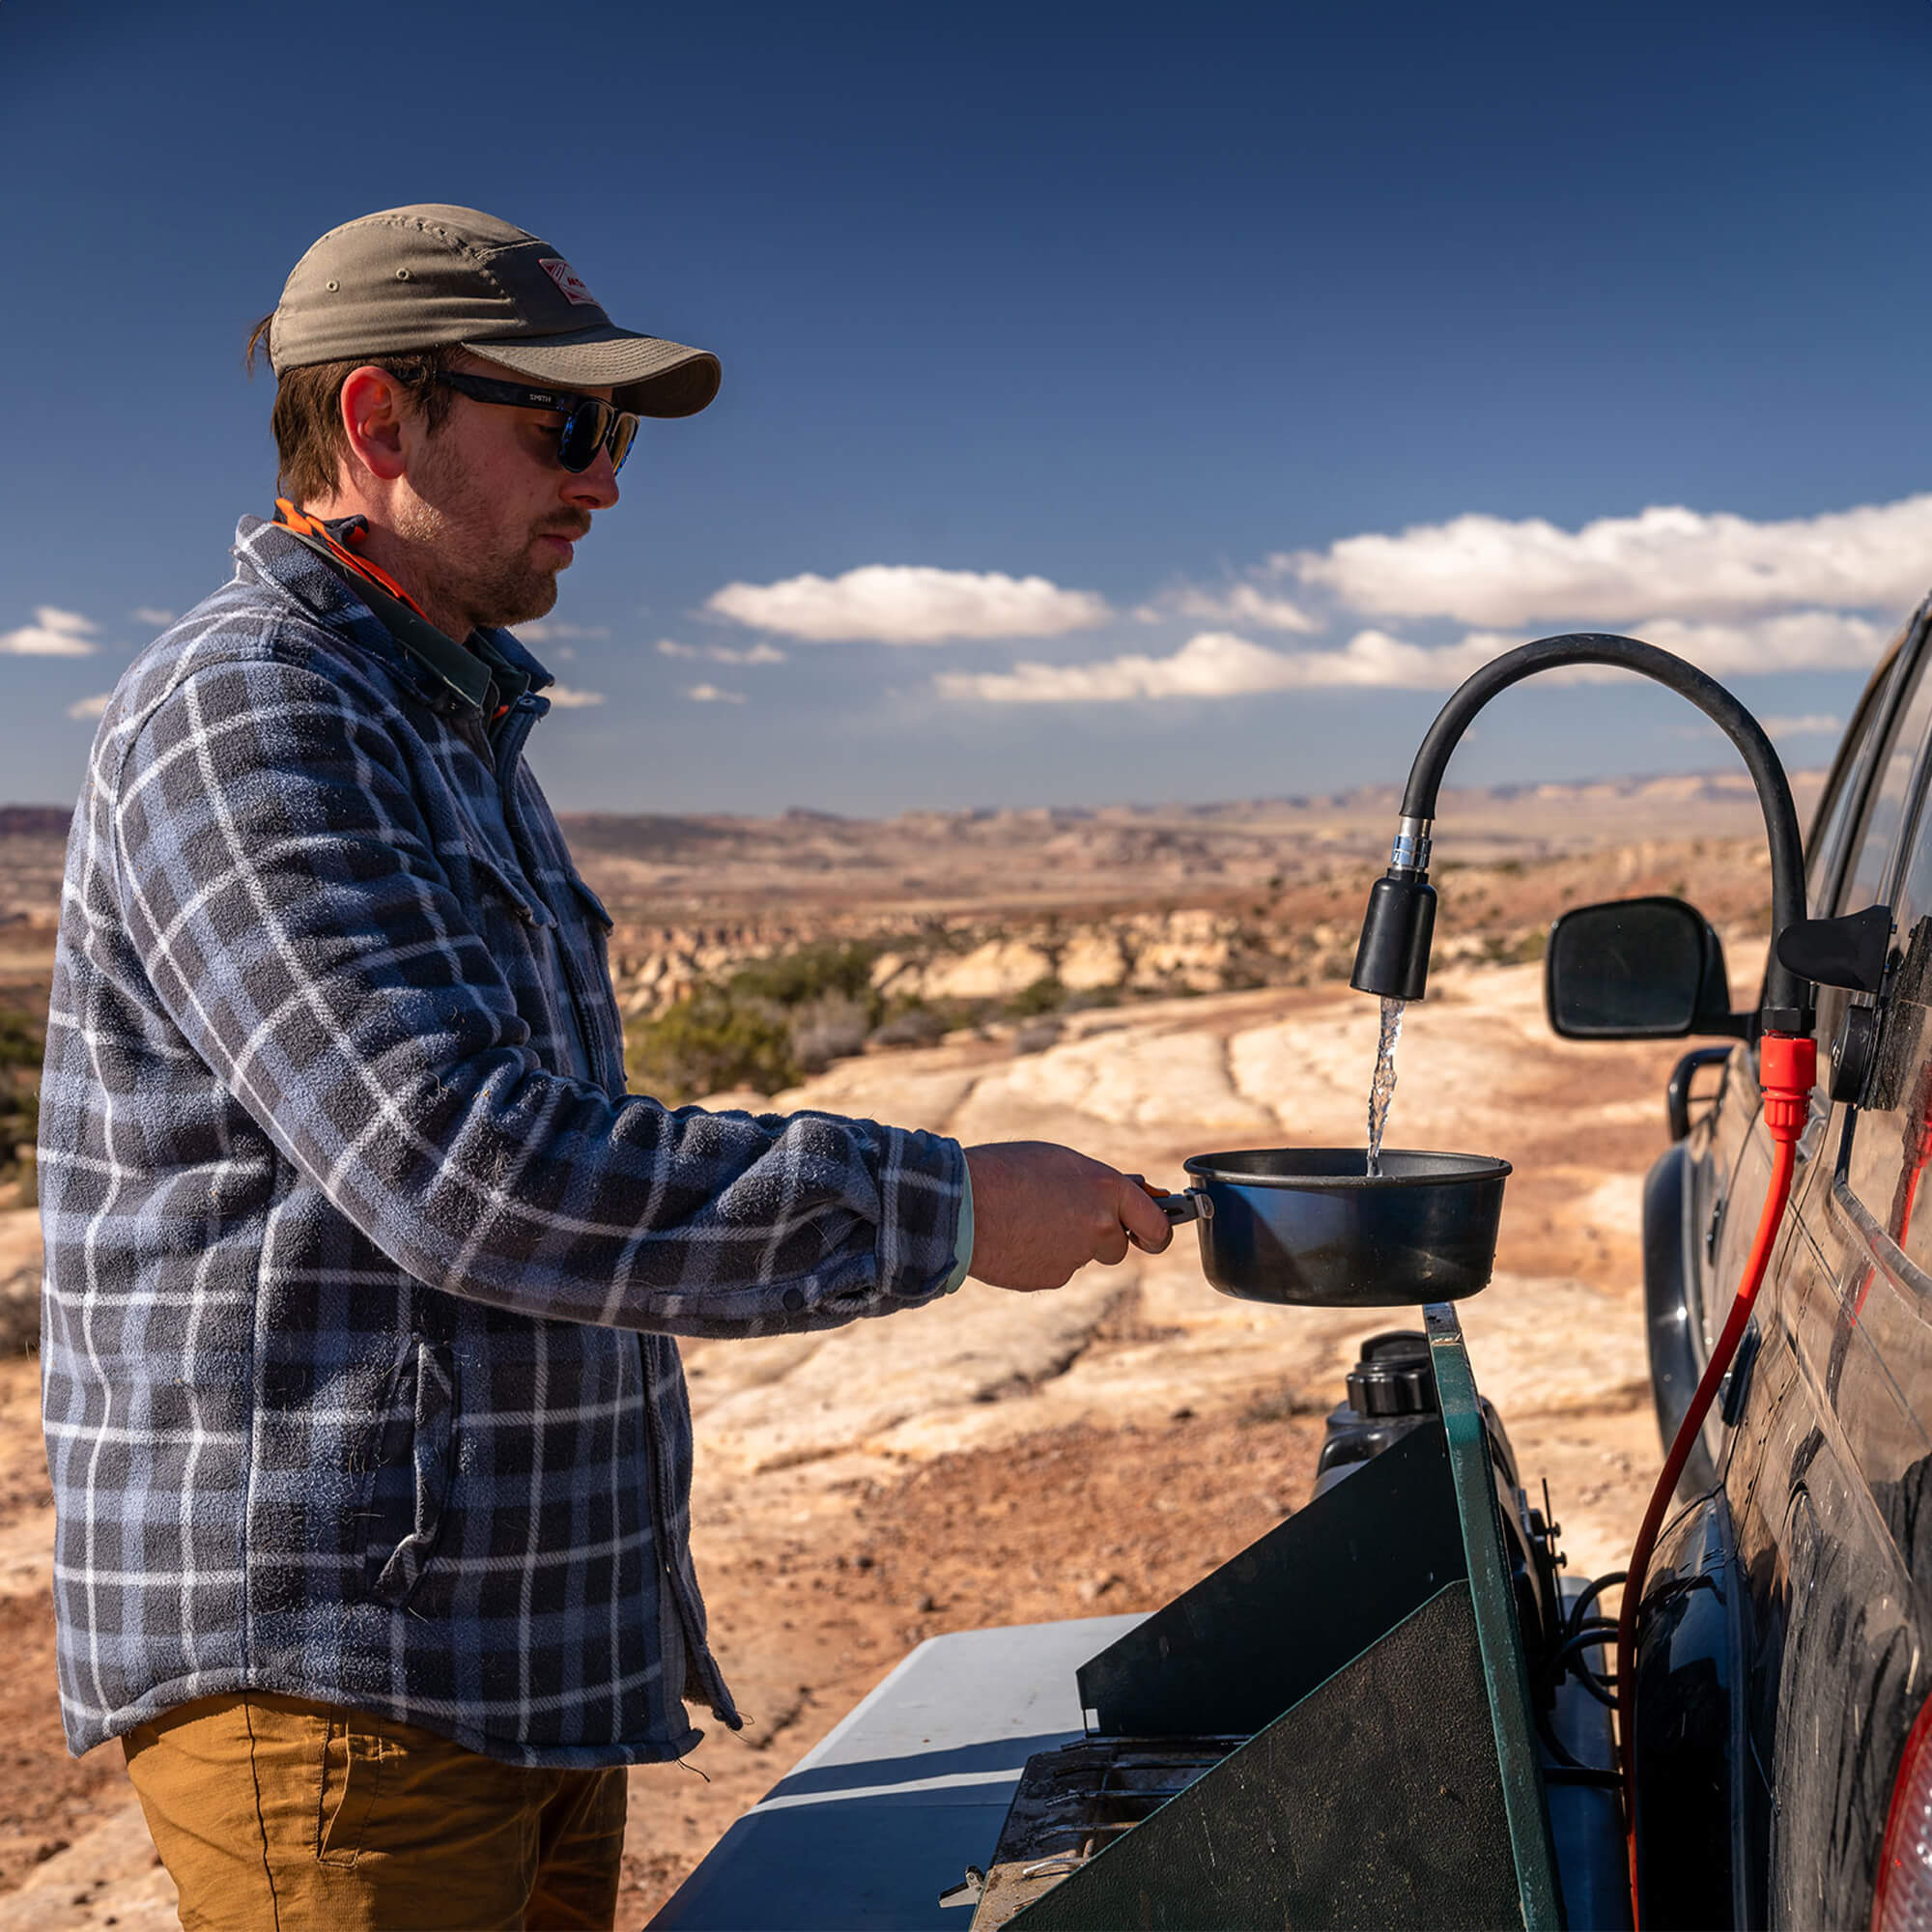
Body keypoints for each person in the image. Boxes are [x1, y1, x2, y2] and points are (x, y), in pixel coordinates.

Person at [38, 204, 1172, 1930]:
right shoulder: (253, 710)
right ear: (374, 420)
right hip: (347, 1684)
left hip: (510, 1663)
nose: (607, 482)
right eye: (565, 426)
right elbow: (468, 1167)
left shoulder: (450, 718)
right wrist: (940, 1208)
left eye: (615, 432)